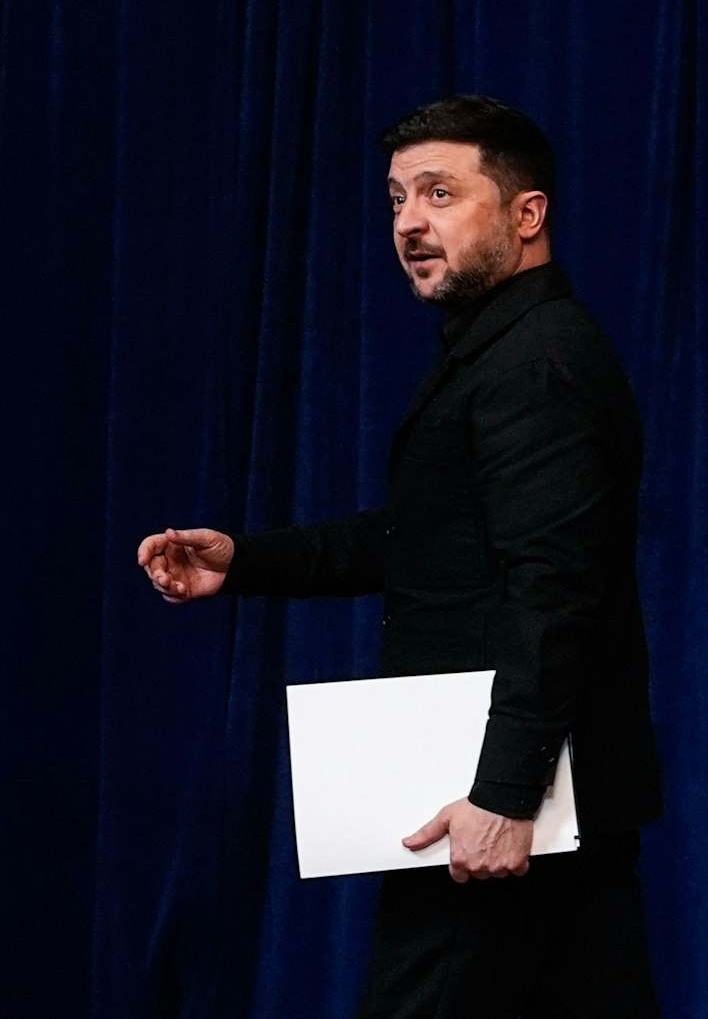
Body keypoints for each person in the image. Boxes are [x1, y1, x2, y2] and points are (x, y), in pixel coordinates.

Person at [137, 95, 662, 1016]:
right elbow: (428, 538)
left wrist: (504, 796)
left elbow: (554, 591)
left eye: (439, 193)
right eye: (396, 199)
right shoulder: (502, 352)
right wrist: (244, 560)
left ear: (526, 214)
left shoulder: (534, 364)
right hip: (550, 801)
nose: (409, 222)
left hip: (506, 806)